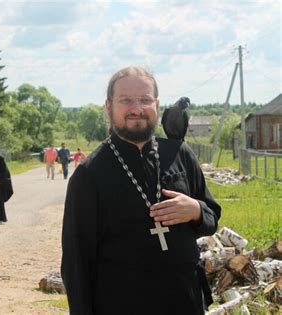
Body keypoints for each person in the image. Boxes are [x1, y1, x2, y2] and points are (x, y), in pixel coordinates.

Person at [61, 66, 221, 315]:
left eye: (145, 100)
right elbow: (76, 263)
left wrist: (196, 210)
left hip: (185, 302)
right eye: (126, 100)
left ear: (157, 105)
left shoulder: (180, 154)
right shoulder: (89, 174)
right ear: (108, 106)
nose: (137, 108)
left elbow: (212, 218)